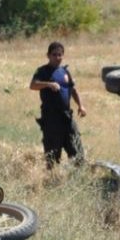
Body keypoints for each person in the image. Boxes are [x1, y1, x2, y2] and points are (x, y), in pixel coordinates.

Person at [30, 41, 87, 169]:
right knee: (52, 156)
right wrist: (48, 84)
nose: (57, 58)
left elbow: (73, 90)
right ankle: (52, 181)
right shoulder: (42, 71)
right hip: (51, 119)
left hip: (67, 117)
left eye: (60, 55)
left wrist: (81, 106)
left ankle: (78, 178)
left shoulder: (65, 72)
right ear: (48, 55)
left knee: (77, 150)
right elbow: (33, 85)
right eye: (54, 55)